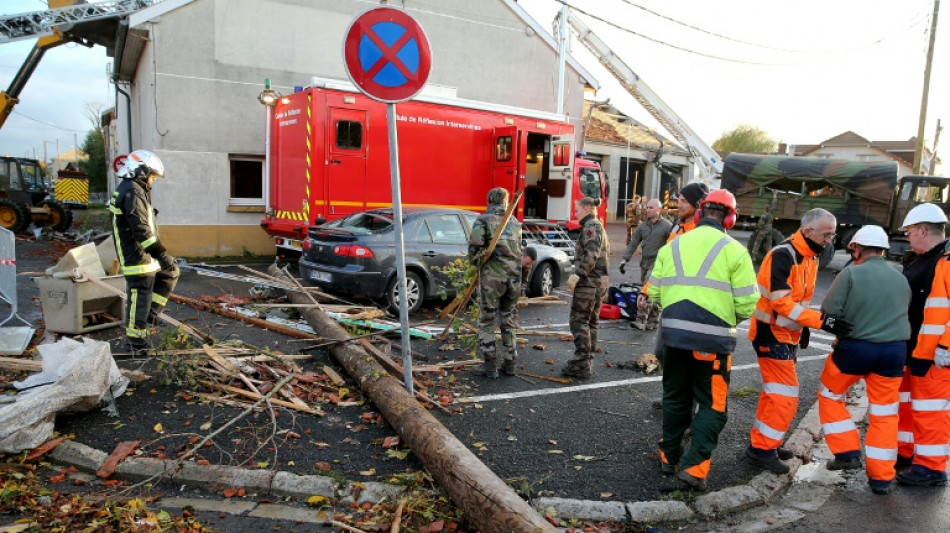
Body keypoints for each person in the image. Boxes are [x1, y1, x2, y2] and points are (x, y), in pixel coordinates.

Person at [647, 189, 758, 491]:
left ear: (699, 213)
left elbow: (654, 292)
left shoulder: (673, 246)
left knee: (674, 399)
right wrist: (724, 319)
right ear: (731, 218)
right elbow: (748, 303)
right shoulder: (735, 251)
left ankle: (668, 458)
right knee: (712, 406)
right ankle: (694, 469)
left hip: (672, 337)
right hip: (713, 343)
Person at [745, 208, 853, 475]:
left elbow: (796, 302)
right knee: (785, 396)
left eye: (833, 234)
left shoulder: (810, 254)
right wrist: (821, 322)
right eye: (827, 234)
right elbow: (782, 303)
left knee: (775, 395)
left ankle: (764, 444)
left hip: (785, 335)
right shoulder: (783, 255)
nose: (831, 240)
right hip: (771, 334)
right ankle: (762, 449)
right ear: (808, 232)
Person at [817, 225, 910, 495]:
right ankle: (881, 478)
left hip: (856, 351)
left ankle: (846, 451)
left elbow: (829, 312)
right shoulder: (900, 278)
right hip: (893, 353)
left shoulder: (851, 273)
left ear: (857, 248)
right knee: (884, 413)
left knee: (830, 394)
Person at [895, 203, 950, 487]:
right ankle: (906, 452)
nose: (907, 238)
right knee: (907, 406)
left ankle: (931, 468)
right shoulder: (921, 259)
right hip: (914, 350)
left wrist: (946, 347)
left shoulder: (947, 261)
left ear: (922, 230)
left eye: (909, 232)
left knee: (931, 412)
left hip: (935, 355)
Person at [108, 150, 180, 355]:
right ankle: (135, 344)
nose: (153, 180)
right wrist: (162, 255)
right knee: (139, 296)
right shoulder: (131, 192)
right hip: (137, 257)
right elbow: (142, 231)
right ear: (141, 171)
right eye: (152, 175)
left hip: (144, 256)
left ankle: (149, 315)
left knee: (170, 273)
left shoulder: (134, 189)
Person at [468, 187, 522, 378]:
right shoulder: (515, 222)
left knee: (487, 321)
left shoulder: (483, 220)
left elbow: (474, 248)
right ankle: (510, 364)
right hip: (514, 279)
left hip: (493, 279)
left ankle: (490, 366)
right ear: (506, 202)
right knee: (508, 320)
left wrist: (475, 264)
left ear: (488, 201)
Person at [561, 197, 609, 379]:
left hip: (588, 283)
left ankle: (581, 362)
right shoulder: (596, 225)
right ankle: (587, 360)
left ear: (588, 208)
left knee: (579, 321)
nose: (575, 213)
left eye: (577, 209)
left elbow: (591, 254)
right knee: (591, 323)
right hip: (597, 282)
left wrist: (577, 275)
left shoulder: (591, 226)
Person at [619, 198, 672, 329]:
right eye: (647, 207)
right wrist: (624, 259)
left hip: (658, 264)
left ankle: (641, 319)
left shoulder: (667, 226)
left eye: (651, 208)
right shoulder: (642, 227)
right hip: (645, 263)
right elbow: (633, 243)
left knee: (646, 291)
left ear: (659, 210)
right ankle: (653, 321)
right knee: (651, 292)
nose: (647, 210)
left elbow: (673, 245)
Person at [750, 190, 779, 262]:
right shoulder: (771, 213)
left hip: (763, 230)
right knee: (769, 245)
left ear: (764, 209)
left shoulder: (764, 216)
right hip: (770, 229)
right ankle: (770, 258)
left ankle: (753, 256)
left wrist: (758, 228)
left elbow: (760, 224)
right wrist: (775, 195)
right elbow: (774, 204)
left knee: (757, 243)